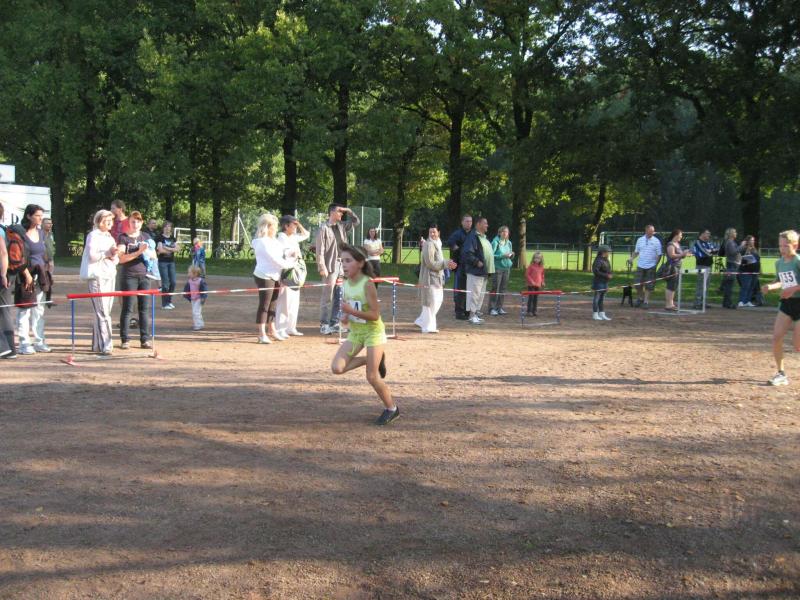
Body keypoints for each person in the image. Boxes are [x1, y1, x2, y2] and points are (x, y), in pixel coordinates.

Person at [330, 244, 396, 425]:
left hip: (373, 333)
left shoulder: (367, 284)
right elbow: (348, 313)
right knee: (337, 368)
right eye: (342, 261)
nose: (344, 265)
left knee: (372, 377)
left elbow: (375, 315)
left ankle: (392, 409)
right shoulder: (345, 283)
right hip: (356, 333)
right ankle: (373, 359)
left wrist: (351, 311)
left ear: (360, 263)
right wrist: (345, 317)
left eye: (348, 261)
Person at [762, 230, 800, 386]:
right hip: (786, 304)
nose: (782, 249)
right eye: (780, 245)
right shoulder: (779, 263)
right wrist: (770, 286)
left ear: (795, 245)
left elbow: (792, 285)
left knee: (798, 345)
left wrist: (793, 289)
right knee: (777, 337)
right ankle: (781, 373)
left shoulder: (798, 261)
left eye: (786, 246)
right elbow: (780, 281)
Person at [315, 203, 360, 335]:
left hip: (342, 264)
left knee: (339, 296)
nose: (341, 213)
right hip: (330, 265)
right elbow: (320, 250)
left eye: (342, 212)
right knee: (327, 296)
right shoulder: (324, 228)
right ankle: (324, 324)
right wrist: (321, 266)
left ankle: (334, 323)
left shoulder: (342, 226)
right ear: (332, 212)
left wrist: (349, 210)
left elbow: (356, 222)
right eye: (339, 211)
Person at [80, 210, 119, 355]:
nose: (109, 223)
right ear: (99, 221)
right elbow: (92, 256)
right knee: (102, 311)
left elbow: (115, 259)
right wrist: (107, 253)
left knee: (104, 311)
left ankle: (97, 344)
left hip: (109, 274)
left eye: (111, 220)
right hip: (97, 276)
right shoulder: (93, 235)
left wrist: (114, 254)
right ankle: (107, 344)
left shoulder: (109, 237)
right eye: (106, 220)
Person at [15, 204, 52, 355]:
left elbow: (43, 253)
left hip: (40, 274)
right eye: (37, 215)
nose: (40, 218)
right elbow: (18, 256)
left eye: (41, 215)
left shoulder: (41, 233)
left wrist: (47, 268)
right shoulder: (21, 233)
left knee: (39, 310)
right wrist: (27, 274)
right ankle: (24, 343)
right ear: (29, 216)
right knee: (25, 310)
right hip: (25, 275)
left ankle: (39, 341)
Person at [252, 213, 294, 344]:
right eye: (274, 226)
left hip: (276, 275)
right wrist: (291, 264)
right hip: (264, 276)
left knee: (273, 304)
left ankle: (272, 330)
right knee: (264, 305)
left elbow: (282, 252)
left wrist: (290, 253)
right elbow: (275, 259)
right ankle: (261, 334)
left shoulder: (273, 240)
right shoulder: (261, 242)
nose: (276, 229)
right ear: (268, 227)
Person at [117, 211, 153, 350]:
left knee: (144, 308)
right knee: (128, 308)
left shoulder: (146, 236)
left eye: (138, 221)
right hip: (129, 276)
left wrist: (149, 253)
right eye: (133, 221)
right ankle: (125, 339)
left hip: (144, 276)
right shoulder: (123, 238)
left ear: (142, 223)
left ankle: (145, 339)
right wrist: (138, 252)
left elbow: (153, 255)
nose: (135, 224)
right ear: (129, 223)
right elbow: (121, 258)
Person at [414, 224, 457, 333]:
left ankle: (421, 320)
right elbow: (430, 263)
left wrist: (448, 263)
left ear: (439, 232)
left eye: (434, 232)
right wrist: (446, 264)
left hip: (438, 278)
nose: (432, 234)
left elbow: (439, 260)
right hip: (429, 278)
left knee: (437, 301)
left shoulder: (438, 243)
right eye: (430, 232)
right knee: (431, 302)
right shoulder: (429, 244)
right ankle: (427, 327)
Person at [275, 215, 310, 338]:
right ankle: (280, 328)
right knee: (284, 301)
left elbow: (306, 234)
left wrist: (298, 224)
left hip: (296, 271)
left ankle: (291, 327)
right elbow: (282, 253)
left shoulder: (293, 237)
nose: (295, 227)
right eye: (293, 225)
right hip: (286, 272)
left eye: (296, 225)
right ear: (286, 226)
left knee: (294, 301)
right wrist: (291, 253)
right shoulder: (281, 237)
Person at [461, 216, 494, 325]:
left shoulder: (484, 238)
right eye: (485, 223)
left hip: (484, 272)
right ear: (479, 224)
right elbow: (467, 253)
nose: (487, 225)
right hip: (476, 271)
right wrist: (476, 262)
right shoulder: (472, 237)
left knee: (480, 294)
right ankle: (471, 315)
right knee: (474, 294)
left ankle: (475, 314)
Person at [627, 225, 662, 308]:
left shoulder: (656, 241)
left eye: (653, 231)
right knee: (637, 284)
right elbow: (636, 252)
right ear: (646, 231)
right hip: (640, 265)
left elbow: (659, 254)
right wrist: (631, 259)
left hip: (651, 266)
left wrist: (655, 265)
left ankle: (646, 302)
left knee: (649, 285)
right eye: (650, 231)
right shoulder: (640, 240)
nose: (652, 233)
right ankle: (640, 298)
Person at [445, 214, 473, 320]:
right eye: (467, 221)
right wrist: (457, 249)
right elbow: (450, 242)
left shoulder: (473, 234)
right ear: (462, 222)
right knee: (460, 290)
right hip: (460, 266)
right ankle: (459, 312)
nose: (469, 223)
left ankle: (467, 310)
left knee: (469, 289)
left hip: (471, 266)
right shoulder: (457, 233)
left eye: (470, 221)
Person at [0, 202, 17, 358]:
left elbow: (4, 253)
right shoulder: (4, 229)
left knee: (4, 310)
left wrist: (3, 274)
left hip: (2, 274)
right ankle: (10, 349)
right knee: (5, 310)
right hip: (6, 274)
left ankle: (3, 346)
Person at [663, 229, 692, 311]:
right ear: (676, 235)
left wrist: (686, 254)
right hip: (672, 267)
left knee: (674, 286)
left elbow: (679, 255)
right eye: (680, 235)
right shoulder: (671, 244)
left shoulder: (677, 244)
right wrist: (683, 254)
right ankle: (668, 305)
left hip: (678, 267)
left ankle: (671, 304)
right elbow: (672, 255)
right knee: (671, 286)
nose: (681, 237)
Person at [489, 225, 514, 316]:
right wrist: (502, 256)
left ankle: (499, 307)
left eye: (506, 232)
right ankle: (492, 308)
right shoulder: (495, 242)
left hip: (506, 268)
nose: (504, 233)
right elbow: (491, 255)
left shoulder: (509, 243)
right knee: (495, 288)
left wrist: (511, 255)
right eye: (503, 231)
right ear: (499, 233)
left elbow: (510, 255)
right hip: (497, 268)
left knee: (503, 288)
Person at [692, 229, 717, 309]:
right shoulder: (697, 242)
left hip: (709, 265)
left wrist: (711, 251)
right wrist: (710, 251)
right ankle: (697, 303)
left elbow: (715, 250)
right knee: (701, 285)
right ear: (702, 234)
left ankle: (703, 302)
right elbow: (705, 252)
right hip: (701, 265)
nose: (709, 235)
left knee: (706, 285)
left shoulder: (708, 243)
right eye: (707, 233)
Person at [157, 221, 179, 309]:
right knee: (165, 283)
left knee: (173, 282)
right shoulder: (159, 237)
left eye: (169, 227)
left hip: (171, 262)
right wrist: (171, 249)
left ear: (171, 228)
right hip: (162, 262)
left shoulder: (173, 238)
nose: (167, 228)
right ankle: (164, 304)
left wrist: (166, 247)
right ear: (163, 228)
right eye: (165, 226)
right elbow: (160, 250)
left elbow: (177, 249)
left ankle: (169, 301)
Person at [720, 227, 745, 309]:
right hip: (731, 265)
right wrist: (741, 246)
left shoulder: (731, 242)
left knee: (729, 284)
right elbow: (733, 252)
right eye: (735, 232)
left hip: (733, 264)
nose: (736, 233)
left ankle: (726, 302)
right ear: (731, 234)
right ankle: (728, 303)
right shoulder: (730, 242)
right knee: (729, 285)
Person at [183, 264, 208, 330]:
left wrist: (203, 298)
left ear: (195, 274)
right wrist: (186, 295)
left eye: (189, 273)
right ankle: (200, 324)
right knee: (195, 312)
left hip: (199, 298)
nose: (188, 274)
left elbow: (204, 290)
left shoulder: (200, 281)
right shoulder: (189, 281)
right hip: (193, 299)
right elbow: (186, 289)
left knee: (196, 312)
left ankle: (198, 325)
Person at [738, 235, 760, 308]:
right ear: (747, 241)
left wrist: (759, 270)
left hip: (755, 271)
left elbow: (758, 260)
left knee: (751, 287)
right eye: (751, 240)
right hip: (746, 271)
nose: (752, 242)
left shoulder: (754, 249)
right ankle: (741, 301)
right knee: (745, 286)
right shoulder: (744, 249)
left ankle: (748, 301)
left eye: (753, 240)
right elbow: (740, 259)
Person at [592, 245, 613, 320]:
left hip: (605, 282)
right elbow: (596, 271)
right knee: (597, 298)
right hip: (599, 282)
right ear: (603, 252)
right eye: (608, 251)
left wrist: (610, 274)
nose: (609, 253)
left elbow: (608, 269)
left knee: (602, 299)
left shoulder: (606, 260)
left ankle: (602, 314)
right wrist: (606, 275)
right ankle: (595, 314)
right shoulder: (598, 260)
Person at [525, 251, 545, 316]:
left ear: (541, 259)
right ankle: (529, 311)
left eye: (538, 258)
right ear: (533, 258)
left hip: (538, 285)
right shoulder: (531, 266)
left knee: (536, 298)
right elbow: (527, 274)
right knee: (531, 298)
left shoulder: (541, 267)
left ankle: (534, 311)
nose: (537, 259)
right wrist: (531, 281)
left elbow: (542, 275)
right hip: (531, 285)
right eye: (535, 258)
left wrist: (542, 282)